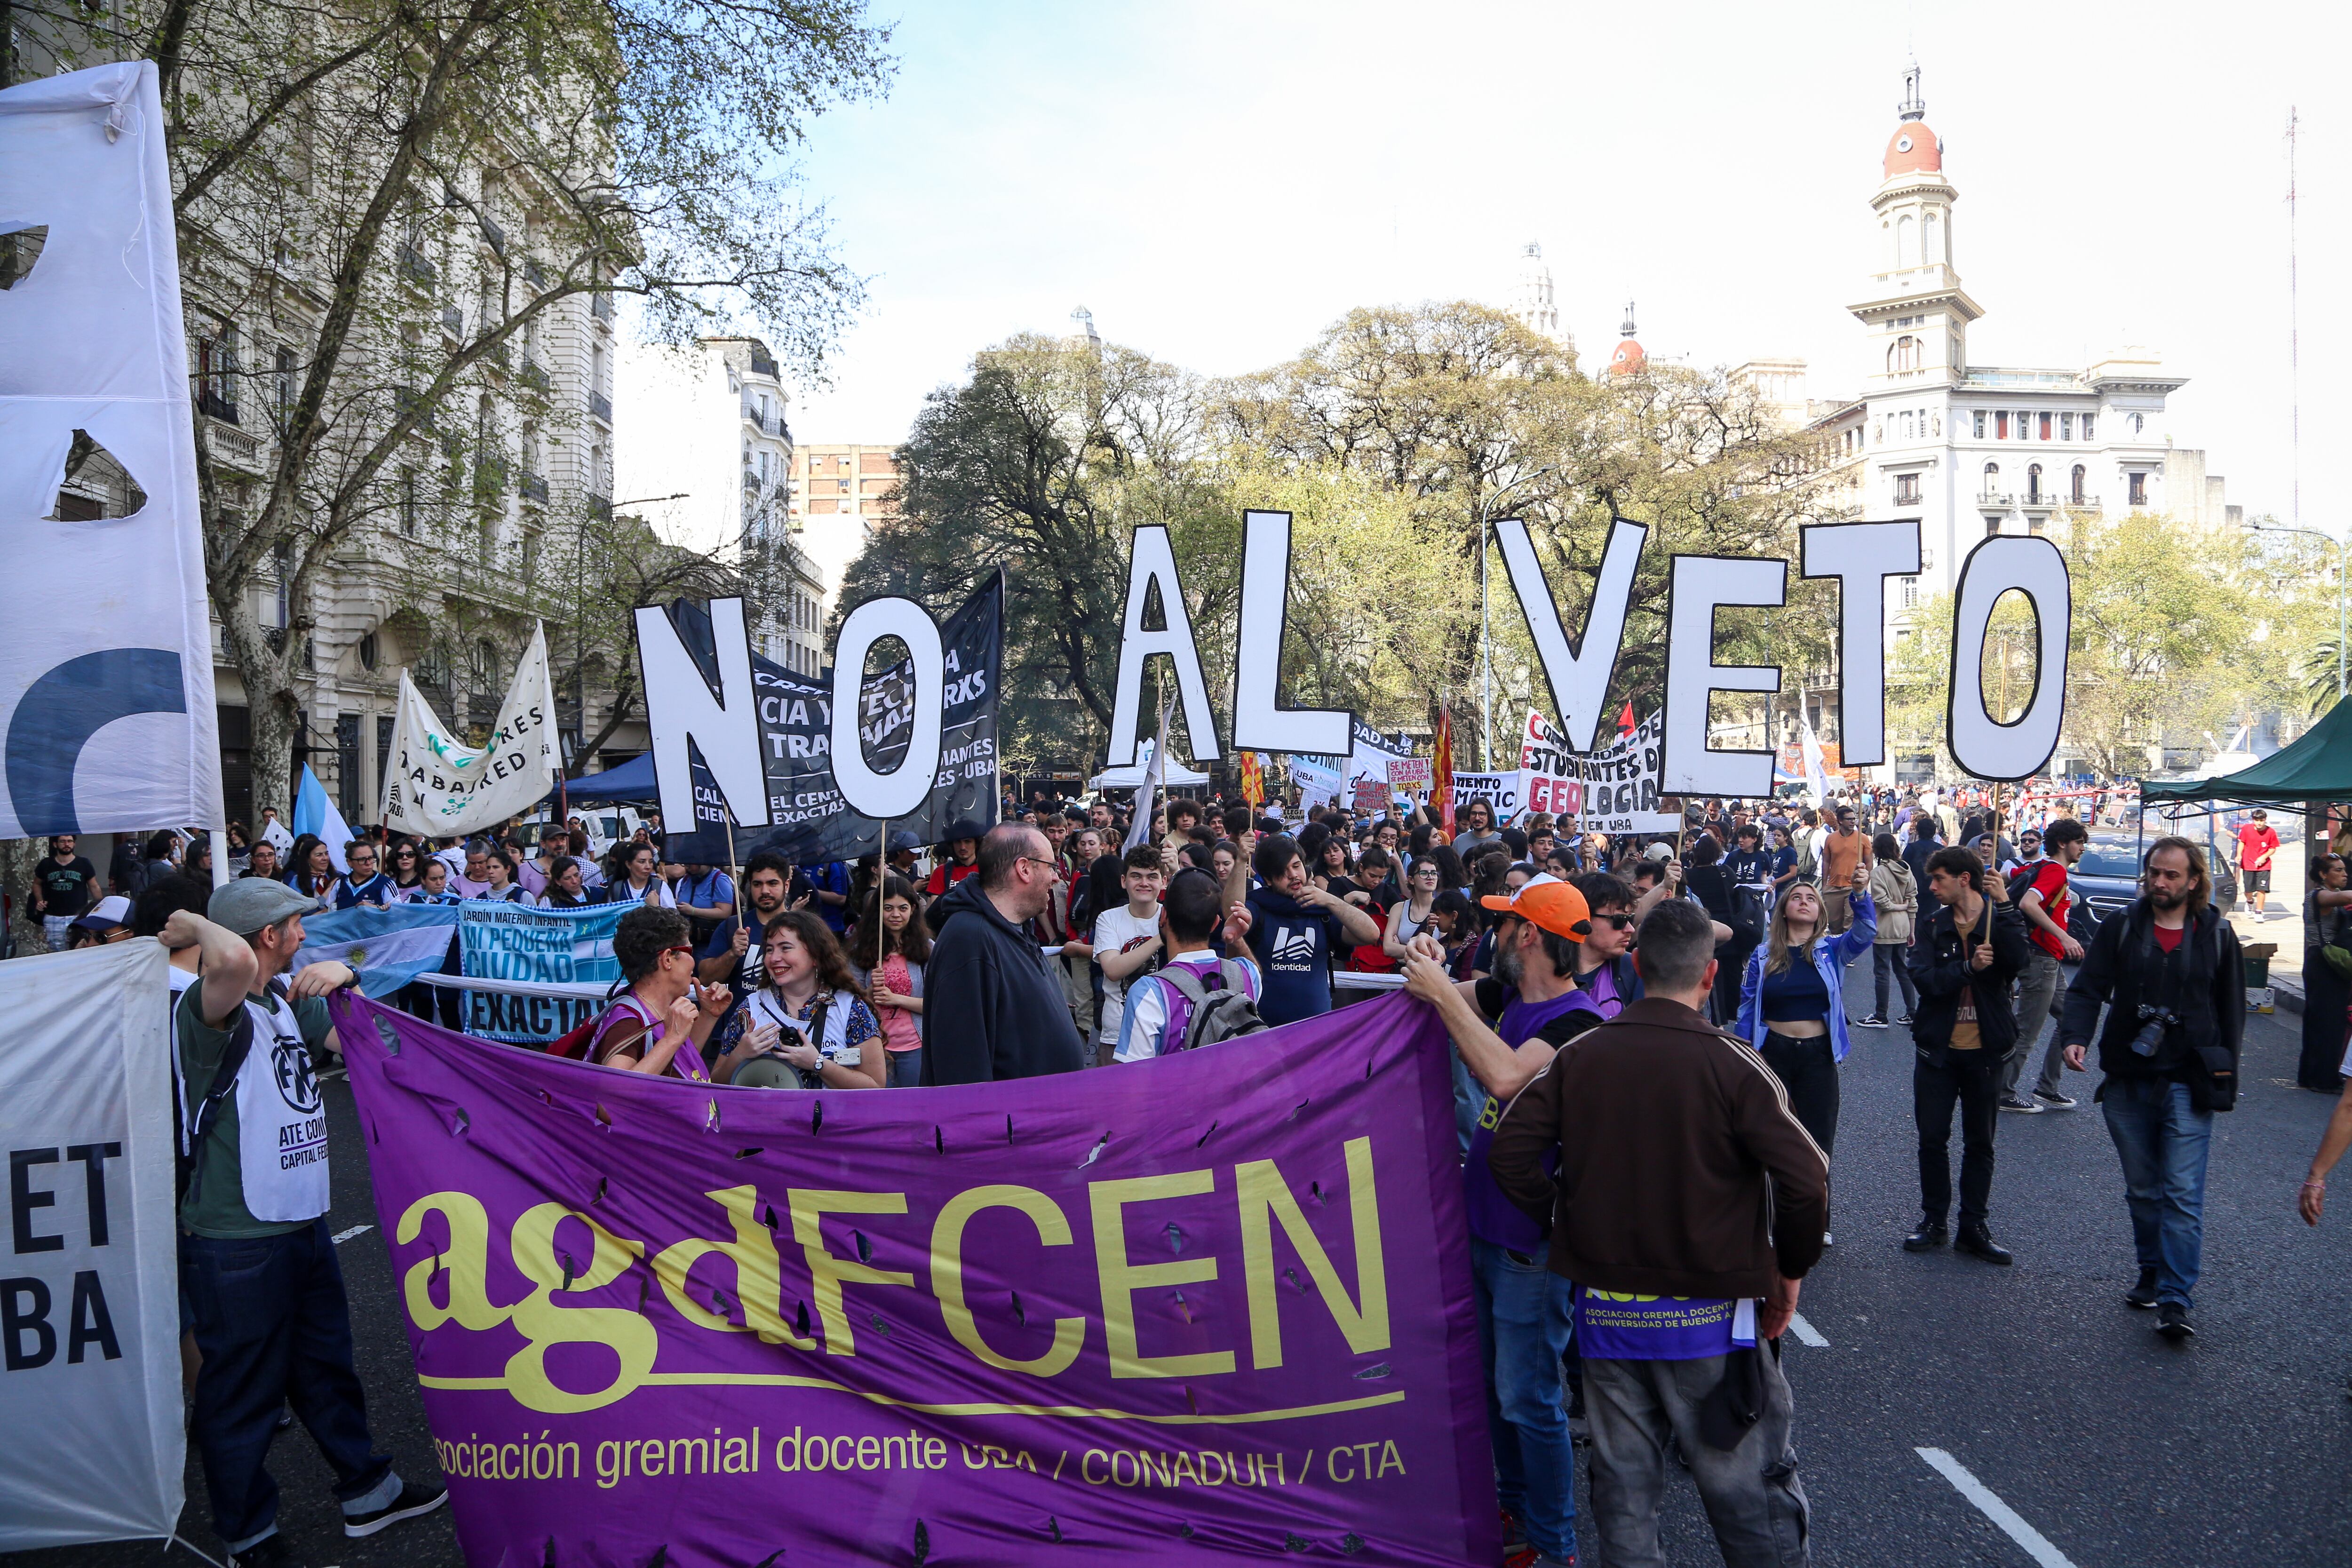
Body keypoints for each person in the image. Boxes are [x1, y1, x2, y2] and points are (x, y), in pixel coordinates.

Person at [1488, 898, 1827, 1568]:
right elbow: (1808, 1176)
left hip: (1609, 1310)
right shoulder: (1734, 1063)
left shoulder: (1585, 1053)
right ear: (1709, 977)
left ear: (1638, 964)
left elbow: (1509, 1152)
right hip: (1712, 1313)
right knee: (1746, 1492)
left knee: (1624, 1490)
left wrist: (1564, 1221)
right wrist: (1789, 1268)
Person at [165, 882, 447, 1565]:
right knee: (241, 1395)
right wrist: (198, 920)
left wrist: (351, 974)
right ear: (268, 935)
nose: (302, 935)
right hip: (237, 1237)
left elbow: (374, 1029)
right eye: (294, 925)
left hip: (298, 1220)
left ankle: (367, 1491)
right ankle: (248, 1534)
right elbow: (228, 960)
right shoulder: (206, 1010)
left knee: (325, 1367)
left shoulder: (281, 1003)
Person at [1400, 876, 1601, 1568]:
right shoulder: (1510, 995)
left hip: (1529, 1249)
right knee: (1492, 1390)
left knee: (1531, 1398)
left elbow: (1508, 1077)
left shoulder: (1580, 1025)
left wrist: (1440, 991)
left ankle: (1555, 1543)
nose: (1496, 935)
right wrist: (1427, 961)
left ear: (1530, 937)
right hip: (1483, 1231)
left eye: (1505, 924)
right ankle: (1513, 1509)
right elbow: (1433, 1001)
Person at [2056, 836, 2245, 1340]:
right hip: (2127, 1079)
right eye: (2153, 873)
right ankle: (2150, 1268)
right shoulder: (2121, 927)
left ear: (2192, 881)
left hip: (2188, 1080)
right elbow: (2087, 989)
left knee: (2181, 1194)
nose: (2159, 882)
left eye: (2170, 875)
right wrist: (2074, 1039)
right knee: (2143, 1191)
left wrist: (2226, 1076)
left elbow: (2231, 1013)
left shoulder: (2217, 935)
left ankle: (2175, 1298)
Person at [1905, 847, 2033, 1264]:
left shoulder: (1999, 919)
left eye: (1939, 878)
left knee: (1981, 1142)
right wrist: (1967, 968)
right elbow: (1924, 980)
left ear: (1964, 879)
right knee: (1932, 1139)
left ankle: (1973, 1226)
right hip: (1938, 1051)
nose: (1932, 886)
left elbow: (2020, 961)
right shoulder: (1932, 925)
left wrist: (2007, 905)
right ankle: (1933, 1221)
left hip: (1986, 1050)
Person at [1734, 864, 1874, 1167]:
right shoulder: (1762, 954)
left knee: (1817, 1150)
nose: (1804, 901)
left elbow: (1866, 933)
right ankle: (1771, 1213)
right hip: (1772, 1055)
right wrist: (1742, 1061)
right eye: (1796, 897)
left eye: (1811, 899)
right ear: (1784, 910)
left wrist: (1861, 895)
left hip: (1818, 1057)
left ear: (1819, 913)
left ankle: (1814, 1212)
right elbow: (1747, 1009)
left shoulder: (1834, 950)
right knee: (1768, 1147)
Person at [924, 823, 1085, 1083]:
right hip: (1011, 1119)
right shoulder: (969, 940)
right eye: (1051, 867)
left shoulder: (1017, 926)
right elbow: (962, 1069)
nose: (1056, 878)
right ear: (1024, 869)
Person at [1223, 833, 1383, 1027]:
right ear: (1268, 880)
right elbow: (1233, 911)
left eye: (1296, 866)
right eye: (1282, 872)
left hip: (1315, 1029)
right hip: (1263, 1029)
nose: (1293, 875)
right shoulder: (1259, 907)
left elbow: (1371, 934)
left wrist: (1330, 901)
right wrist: (1241, 860)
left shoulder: (1322, 911)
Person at [724, 911, 886, 1089]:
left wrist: (818, 1064)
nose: (774, 958)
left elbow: (875, 1086)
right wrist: (740, 1055)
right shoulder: (752, 1008)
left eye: (785, 948)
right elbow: (716, 1084)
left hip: (833, 1116)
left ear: (815, 956)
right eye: (770, 949)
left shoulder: (850, 1008)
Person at [584, 905, 745, 1081]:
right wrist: (672, 1039)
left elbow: (680, 1064)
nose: (693, 961)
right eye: (689, 950)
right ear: (667, 959)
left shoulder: (654, 1009)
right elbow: (614, 1095)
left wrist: (708, 1015)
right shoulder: (628, 1023)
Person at [1115, 868, 1260, 1062]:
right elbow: (1256, 972)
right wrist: (1235, 939)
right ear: (1215, 924)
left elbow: (1133, 1075)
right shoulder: (1247, 975)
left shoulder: (1148, 992)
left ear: (1164, 916)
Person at [2002, 816, 2089, 1113]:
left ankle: (2047, 1087)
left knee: (2069, 1019)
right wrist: (2064, 937)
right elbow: (2028, 903)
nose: (2082, 849)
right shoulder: (2055, 871)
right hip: (2041, 957)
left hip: (2044, 956)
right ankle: (2003, 1092)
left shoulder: (2039, 867)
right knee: (2027, 1029)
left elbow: (2008, 881)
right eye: (2079, 843)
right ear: (2063, 844)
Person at [1092, 844, 1170, 1068]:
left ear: (1163, 882)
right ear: (1124, 881)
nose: (1144, 883)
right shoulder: (1108, 919)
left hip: (1163, 1030)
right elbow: (1114, 970)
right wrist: (1160, 938)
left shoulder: (1172, 916)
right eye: (1137, 876)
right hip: (1117, 1034)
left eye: (1152, 877)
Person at [851, 875, 930, 1087]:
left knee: (914, 1106)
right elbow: (848, 1004)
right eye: (888, 908)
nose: (896, 915)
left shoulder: (928, 949)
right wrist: (868, 993)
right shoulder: (862, 950)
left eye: (903, 908)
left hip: (916, 1046)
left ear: (913, 909)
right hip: (875, 1047)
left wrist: (893, 998)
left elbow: (936, 1003)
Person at [1856, 832, 1920, 1028]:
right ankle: (1912, 1011)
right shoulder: (1906, 870)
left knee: (1882, 971)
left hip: (1885, 926)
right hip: (1903, 926)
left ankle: (1881, 1015)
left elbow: (1882, 902)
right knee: (1902, 970)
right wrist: (1912, 929)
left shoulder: (1878, 873)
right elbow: (1913, 901)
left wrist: (1898, 906)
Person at [2300, 853, 2352, 1091]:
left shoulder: (2328, 897)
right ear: (2323, 874)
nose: (2345, 874)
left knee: (2320, 1021)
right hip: (2323, 963)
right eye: (2338, 870)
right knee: (2328, 1024)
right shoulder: (2319, 895)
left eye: (2344, 870)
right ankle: (2322, 1079)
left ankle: (2312, 1075)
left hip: (2323, 963)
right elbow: (2344, 896)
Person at [28, 833, 98, 951]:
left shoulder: (84, 863)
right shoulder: (46, 864)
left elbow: (94, 886)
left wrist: (99, 907)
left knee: (80, 950)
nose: (67, 844)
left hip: (78, 917)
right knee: (57, 953)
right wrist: (40, 901)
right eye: (63, 841)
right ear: (55, 844)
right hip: (53, 917)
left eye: (70, 841)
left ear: (74, 844)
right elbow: (36, 884)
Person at [1381, 856, 1444, 963]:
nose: (1430, 877)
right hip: (1402, 973)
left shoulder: (1443, 909)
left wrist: (1401, 949)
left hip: (1432, 972)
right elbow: (1388, 948)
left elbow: (1443, 950)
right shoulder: (1399, 908)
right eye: (1424, 873)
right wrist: (1427, 952)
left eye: (1434, 873)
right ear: (1411, 880)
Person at [1820, 804, 1871, 935]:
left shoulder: (1863, 838)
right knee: (1834, 922)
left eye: (1854, 819)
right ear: (1840, 821)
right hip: (1834, 886)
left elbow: (1869, 862)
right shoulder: (1831, 838)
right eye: (1849, 819)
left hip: (1853, 886)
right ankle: (1837, 948)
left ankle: (1847, 950)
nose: (1853, 821)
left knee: (1849, 921)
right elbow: (1826, 861)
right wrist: (1824, 884)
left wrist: (1865, 883)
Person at [2236, 808, 2280, 920]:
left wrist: (2263, 857)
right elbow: (2242, 842)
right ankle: (2250, 901)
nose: (2259, 823)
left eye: (2262, 820)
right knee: (2248, 889)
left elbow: (2273, 848)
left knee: (2262, 889)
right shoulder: (2246, 829)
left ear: (2265, 820)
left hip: (2264, 866)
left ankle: (2259, 912)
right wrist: (2239, 855)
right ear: (2253, 820)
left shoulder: (2271, 832)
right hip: (2248, 864)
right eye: (2257, 820)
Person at [602, 842, 677, 907]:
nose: (648, 867)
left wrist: (656, 906)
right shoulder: (617, 888)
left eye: (651, 862)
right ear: (628, 864)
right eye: (642, 862)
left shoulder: (660, 887)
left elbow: (674, 920)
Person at [333, 841, 395, 909]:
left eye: (371, 858)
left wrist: (375, 908)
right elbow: (326, 912)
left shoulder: (386, 884)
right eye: (362, 860)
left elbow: (399, 912)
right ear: (349, 862)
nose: (368, 863)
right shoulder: (340, 884)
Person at [283, 836, 338, 911]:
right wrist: (329, 889)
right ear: (307, 859)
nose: (325, 858)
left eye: (326, 854)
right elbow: (306, 912)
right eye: (319, 855)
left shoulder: (338, 877)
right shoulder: (297, 882)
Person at [924, 827, 982, 898]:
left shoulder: (989, 870)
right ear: (952, 844)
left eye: (967, 841)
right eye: (958, 842)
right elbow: (935, 906)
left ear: (976, 843)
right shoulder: (941, 872)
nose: (962, 847)